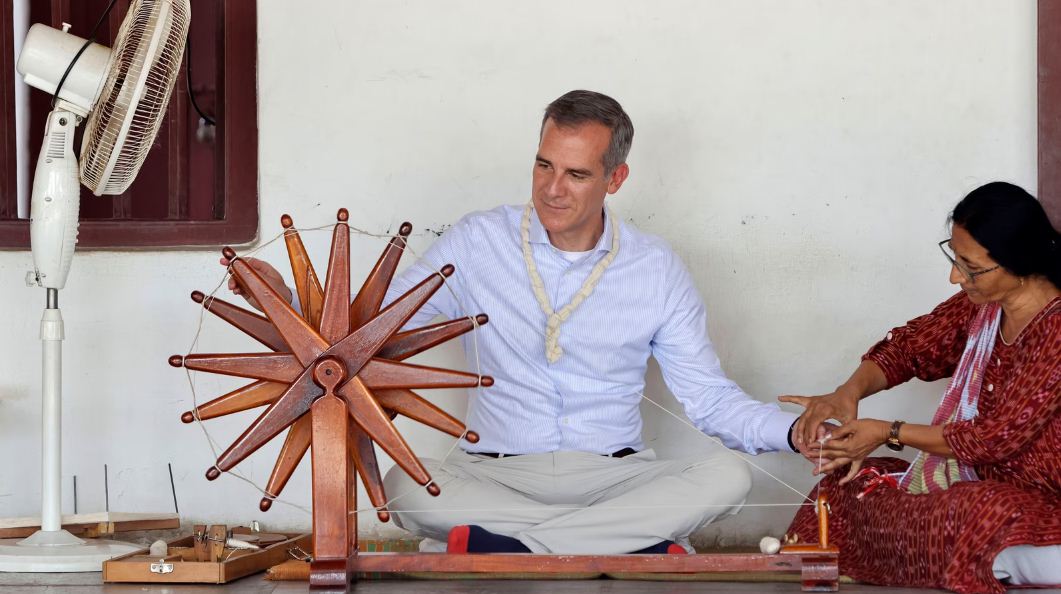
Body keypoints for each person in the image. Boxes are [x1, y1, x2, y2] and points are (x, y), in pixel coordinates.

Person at [229, 90, 817, 555]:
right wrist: (277, 296)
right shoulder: (478, 240)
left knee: (727, 478)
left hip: (615, 477)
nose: (551, 190)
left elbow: (709, 401)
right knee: (405, 488)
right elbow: (367, 332)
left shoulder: (656, 267)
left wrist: (795, 433)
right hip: (495, 479)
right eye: (543, 165)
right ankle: (620, 543)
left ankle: (514, 549)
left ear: (616, 179)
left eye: (576, 175)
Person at [781, 181, 1061, 593]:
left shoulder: (1055, 329)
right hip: (970, 483)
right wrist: (848, 393)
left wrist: (887, 432)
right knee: (854, 483)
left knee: (975, 511)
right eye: (954, 256)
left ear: (1018, 263)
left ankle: (1000, 558)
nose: (955, 276)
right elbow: (909, 349)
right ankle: (964, 555)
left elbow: (993, 439)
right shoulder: (981, 309)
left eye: (970, 267)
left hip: (1038, 504)